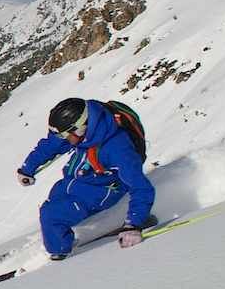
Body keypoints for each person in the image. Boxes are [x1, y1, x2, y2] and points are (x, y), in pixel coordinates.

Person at [16, 98, 154, 260]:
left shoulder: (117, 148)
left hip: (101, 191)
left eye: (64, 135)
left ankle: (59, 253)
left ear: (80, 129)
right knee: (54, 199)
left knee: (50, 215)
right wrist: (28, 168)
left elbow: (141, 187)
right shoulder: (85, 129)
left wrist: (134, 224)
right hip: (78, 181)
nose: (63, 139)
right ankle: (58, 234)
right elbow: (52, 144)